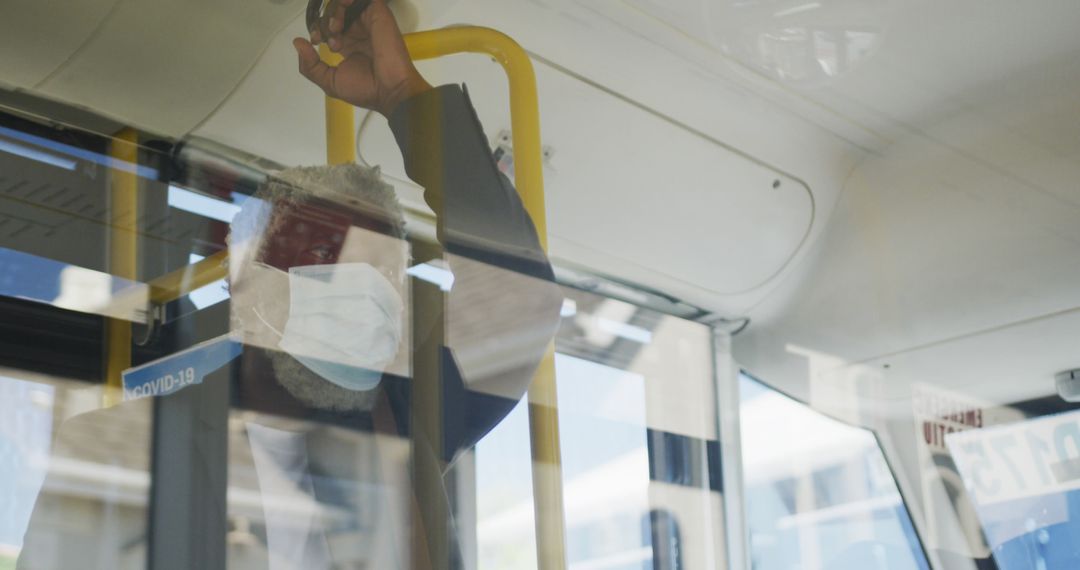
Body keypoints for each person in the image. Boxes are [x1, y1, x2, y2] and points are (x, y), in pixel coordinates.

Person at [17, 1, 562, 568]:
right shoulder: (124, 450)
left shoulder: (406, 421)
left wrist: (404, 98)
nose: (363, 287)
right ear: (246, 283)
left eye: (381, 267)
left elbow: (519, 300)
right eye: (327, 251)